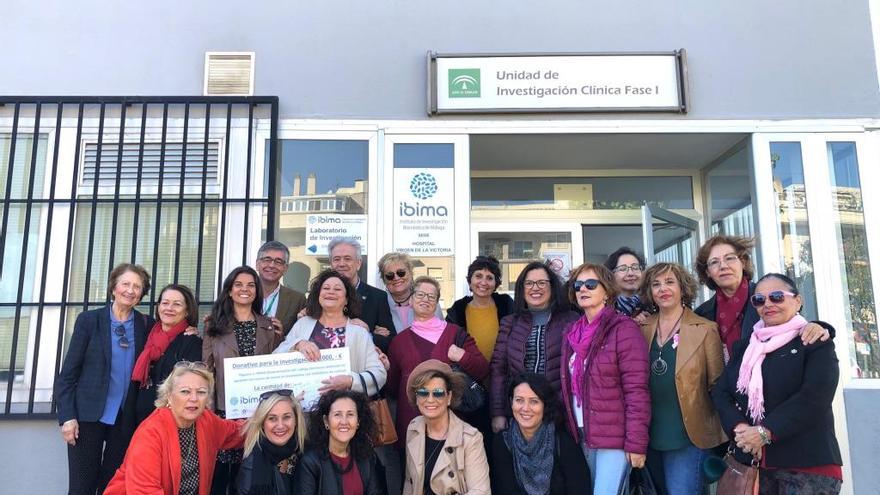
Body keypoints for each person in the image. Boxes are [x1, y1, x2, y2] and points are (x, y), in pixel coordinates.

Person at [711, 273, 843, 494]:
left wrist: (765, 432)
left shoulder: (814, 341)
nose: (768, 304)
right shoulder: (746, 348)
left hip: (807, 465)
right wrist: (740, 428)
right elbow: (721, 392)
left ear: (798, 301)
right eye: (759, 300)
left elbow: (814, 398)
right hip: (755, 466)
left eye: (777, 297)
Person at [55, 263, 153, 495]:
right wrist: (67, 417)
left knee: (114, 487)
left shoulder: (146, 325)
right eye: (125, 284)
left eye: (137, 287)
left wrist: (191, 330)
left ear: (141, 294)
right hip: (87, 417)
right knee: (82, 487)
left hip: (125, 419)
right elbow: (68, 375)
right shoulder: (89, 320)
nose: (130, 290)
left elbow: (167, 341)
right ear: (114, 287)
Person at [559, 262, 650, 494]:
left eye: (591, 284)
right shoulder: (572, 333)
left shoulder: (623, 328)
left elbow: (637, 390)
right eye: (578, 285)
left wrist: (637, 443)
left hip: (614, 438)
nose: (583, 289)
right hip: (581, 433)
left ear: (607, 291)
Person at [638, 263, 726, 495]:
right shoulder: (640, 328)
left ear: (683, 288)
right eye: (655, 284)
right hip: (648, 433)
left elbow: (718, 385)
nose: (662, 289)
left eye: (669, 282)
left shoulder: (705, 329)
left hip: (688, 434)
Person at [104, 361, 244, 495]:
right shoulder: (150, 433)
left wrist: (263, 418)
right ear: (169, 396)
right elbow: (145, 491)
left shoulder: (206, 420)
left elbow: (237, 433)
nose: (194, 398)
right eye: (185, 392)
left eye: (201, 392)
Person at [203, 266, 282, 495]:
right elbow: (206, 370)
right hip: (225, 412)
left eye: (250, 285)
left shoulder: (269, 326)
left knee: (252, 478)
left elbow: (277, 367)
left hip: (259, 413)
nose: (244, 289)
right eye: (238, 285)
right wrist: (207, 410)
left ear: (257, 291)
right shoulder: (213, 326)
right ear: (229, 290)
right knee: (221, 477)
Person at [387, 276, 489, 448]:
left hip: (451, 422)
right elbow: (392, 388)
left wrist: (462, 356)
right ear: (411, 300)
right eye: (420, 295)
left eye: (431, 296)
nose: (425, 299)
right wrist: (386, 367)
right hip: (412, 423)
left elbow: (483, 369)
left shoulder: (456, 334)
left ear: (436, 303)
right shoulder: (399, 342)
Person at [694, 235, 829, 361]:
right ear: (708, 272)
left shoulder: (769, 297)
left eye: (729, 258)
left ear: (743, 262)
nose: (723, 266)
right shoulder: (701, 315)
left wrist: (818, 327)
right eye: (714, 262)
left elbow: (799, 324)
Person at [490, 261, 579, 434]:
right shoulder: (509, 323)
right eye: (529, 283)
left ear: (552, 287)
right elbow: (498, 370)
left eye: (541, 283)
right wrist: (498, 412)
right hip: (520, 412)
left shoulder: (571, 320)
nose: (535, 288)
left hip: (560, 413)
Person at [274, 269, 387, 398]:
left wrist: (350, 381)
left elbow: (379, 373)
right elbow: (277, 358)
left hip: (344, 410)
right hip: (304, 410)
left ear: (346, 300)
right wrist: (297, 344)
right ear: (318, 295)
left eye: (337, 289)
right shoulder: (302, 324)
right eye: (326, 288)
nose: (331, 292)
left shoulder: (359, 332)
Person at [491, 372, 591, 495]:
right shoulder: (503, 442)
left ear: (545, 405)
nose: (525, 408)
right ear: (511, 402)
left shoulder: (563, 443)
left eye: (534, 401)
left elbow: (580, 489)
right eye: (519, 400)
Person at [402, 359, 490, 495]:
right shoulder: (414, 428)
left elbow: (481, 491)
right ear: (417, 398)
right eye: (423, 393)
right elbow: (409, 482)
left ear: (449, 397)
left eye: (438, 393)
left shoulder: (470, 438)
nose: (430, 399)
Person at [293, 390, 385, 495]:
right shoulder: (309, 462)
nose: (344, 422)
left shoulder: (366, 456)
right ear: (326, 421)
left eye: (350, 414)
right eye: (337, 415)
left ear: (358, 422)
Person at [133, 283, 203, 424]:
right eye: (165, 303)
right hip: (138, 419)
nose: (169, 308)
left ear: (187, 311)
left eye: (177, 304)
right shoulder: (146, 333)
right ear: (158, 307)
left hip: (169, 421)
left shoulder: (191, 342)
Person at [328, 237, 396, 352]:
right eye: (336, 259)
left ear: (358, 263)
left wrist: (368, 333)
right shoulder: (321, 296)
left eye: (347, 259)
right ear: (331, 264)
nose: (341, 264)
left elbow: (390, 341)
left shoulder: (378, 297)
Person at [237, 390, 307, 495]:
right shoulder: (251, 466)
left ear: (296, 420)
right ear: (262, 423)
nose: (280, 425)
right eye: (272, 419)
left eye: (286, 417)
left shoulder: (306, 453)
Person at [378, 251, 443, 334]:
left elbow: (441, 334)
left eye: (401, 273)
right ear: (384, 280)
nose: (396, 278)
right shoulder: (379, 304)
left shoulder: (428, 300)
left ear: (411, 273)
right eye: (390, 275)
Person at [256, 240, 307, 337]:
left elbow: (300, 336)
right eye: (267, 260)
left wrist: (282, 336)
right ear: (257, 264)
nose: (271, 265)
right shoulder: (243, 294)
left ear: (285, 268)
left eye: (278, 262)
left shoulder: (297, 300)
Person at [603, 247, 649, 320]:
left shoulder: (652, 303)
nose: (630, 273)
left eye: (635, 267)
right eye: (623, 269)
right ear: (611, 274)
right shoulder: (603, 307)